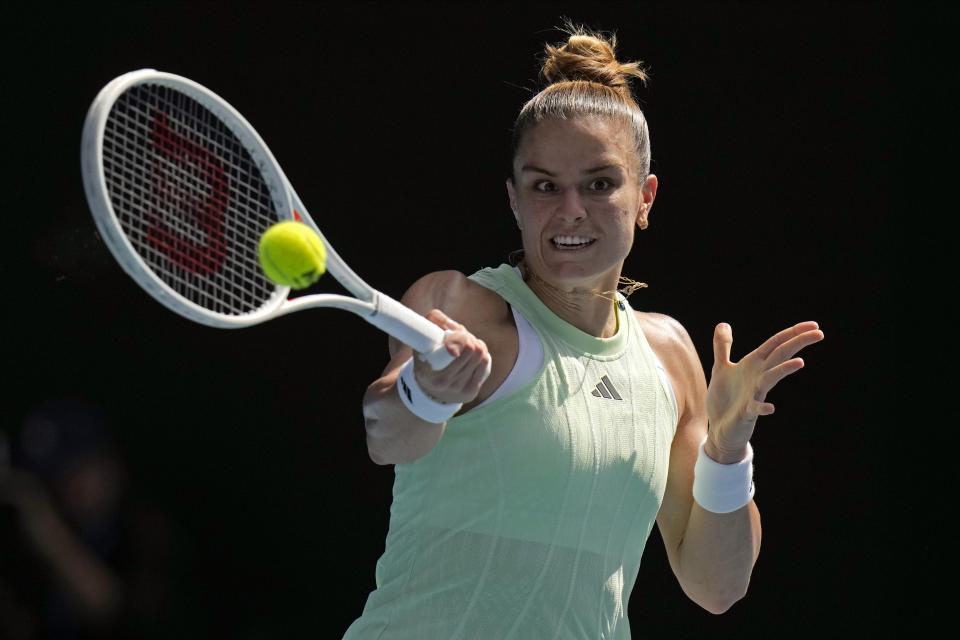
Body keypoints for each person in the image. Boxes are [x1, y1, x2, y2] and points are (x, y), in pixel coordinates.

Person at [344, 26, 824, 639]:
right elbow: (386, 437)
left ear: (645, 198)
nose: (571, 208)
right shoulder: (461, 305)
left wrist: (726, 455)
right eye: (545, 186)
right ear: (515, 199)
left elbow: (717, 587)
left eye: (600, 183)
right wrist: (426, 390)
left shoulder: (671, 355)